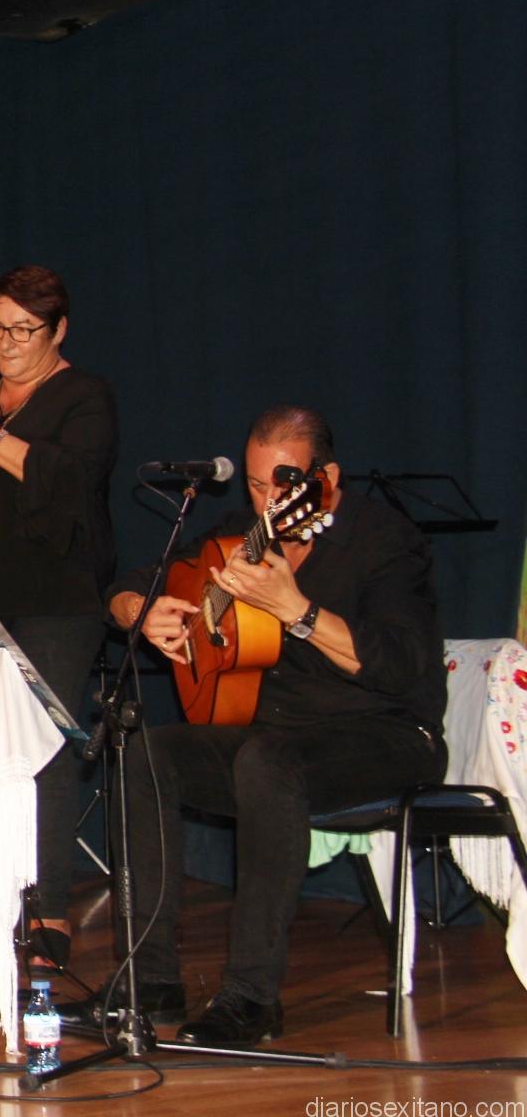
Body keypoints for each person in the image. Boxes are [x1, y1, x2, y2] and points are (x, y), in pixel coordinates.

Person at [91, 405, 444, 1046]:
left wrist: (298, 611)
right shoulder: (241, 537)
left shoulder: (385, 540)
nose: (267, 503)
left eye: (282, 485)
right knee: (146, 753)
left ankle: (251, 998)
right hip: (278, 737)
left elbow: (399, 665)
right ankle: (150, 980)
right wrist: (138, 609)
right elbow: (137, 581)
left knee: (266, 760)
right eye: (255, 486)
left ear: (325, 478)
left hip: (385, 734)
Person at [0, 264, 116, 971]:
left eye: (23, 330)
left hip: (56, 604)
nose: (6, 343)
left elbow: (71, 488)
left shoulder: (84, 397)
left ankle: (50, 911)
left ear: (58, 331)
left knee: (43, 755)